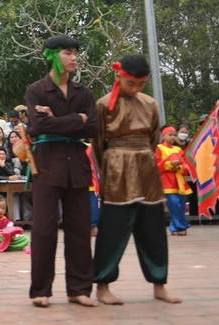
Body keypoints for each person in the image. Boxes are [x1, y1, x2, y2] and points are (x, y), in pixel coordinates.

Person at [92, 55, 180, 305]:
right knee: (112, 230)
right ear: (119, 76)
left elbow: (153, 140)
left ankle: (159, 284)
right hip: (117, 168)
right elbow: (97, 144)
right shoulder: (103, 105)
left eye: (141, 84)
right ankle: (103, 285)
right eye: (131, 83)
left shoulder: (150, 103)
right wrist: (106, 173)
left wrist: (144, 160)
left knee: (153, 230)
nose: (135, 89)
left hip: (146, 168)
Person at [25, 34, 99, 308]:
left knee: (80, 230)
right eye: (67, 53)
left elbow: (93, 127)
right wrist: (76, 119)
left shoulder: (83, 92)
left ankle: (79, 289)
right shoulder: (36, 90)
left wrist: (57, 120)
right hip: (46, 167)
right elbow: (39, 126)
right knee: (44, 230)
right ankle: (40, 290)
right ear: (51, 56)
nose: (74, 58)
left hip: (77, 167)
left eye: (75, 53)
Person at [156, 127, 191, 236]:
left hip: (179, 182)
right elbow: (156, 165)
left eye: (174, 135)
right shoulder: (159, 148)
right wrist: (171, 164)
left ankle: (175, 227)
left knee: (181, 205)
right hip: (167, 181)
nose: (172, 137)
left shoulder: (179, 150)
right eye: (170, 135)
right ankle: (180, 226)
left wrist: (179, 167)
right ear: (163, 136)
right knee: (174, 204)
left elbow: (186, 166)